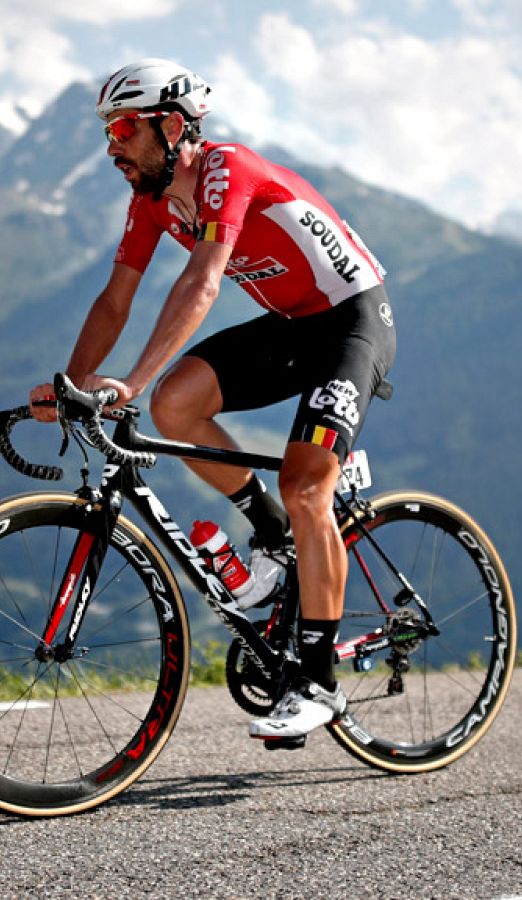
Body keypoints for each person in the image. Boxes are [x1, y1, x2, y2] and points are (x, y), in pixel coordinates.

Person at [30, 59, 396, 743]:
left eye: (125, 129)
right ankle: (275, 537)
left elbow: (201, 284)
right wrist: (74, 387)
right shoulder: (149, 201)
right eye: (108, 131)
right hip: (292, 328)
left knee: (306, 486)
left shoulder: (228, 171)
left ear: (171, 126)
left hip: (352, 323)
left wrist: (127, 383)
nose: (113, 146)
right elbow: (116, 301)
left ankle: (317, 683)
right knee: (175, 406)